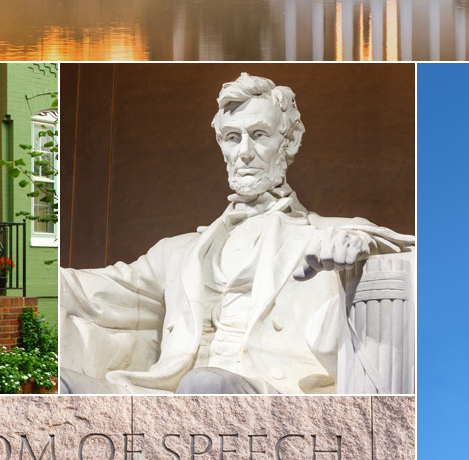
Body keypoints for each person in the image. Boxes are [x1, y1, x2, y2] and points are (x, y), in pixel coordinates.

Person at [59, 70, 413, 393]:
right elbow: (90, 292)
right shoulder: (178, 251)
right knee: (66, 385)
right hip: (165, 396)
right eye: (232, 137)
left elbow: (404, 254)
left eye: (258, 135)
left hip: (277, 400)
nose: (244, 152)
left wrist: (358, 246)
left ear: (289, 141)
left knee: (205, 383)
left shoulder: (326, 232)